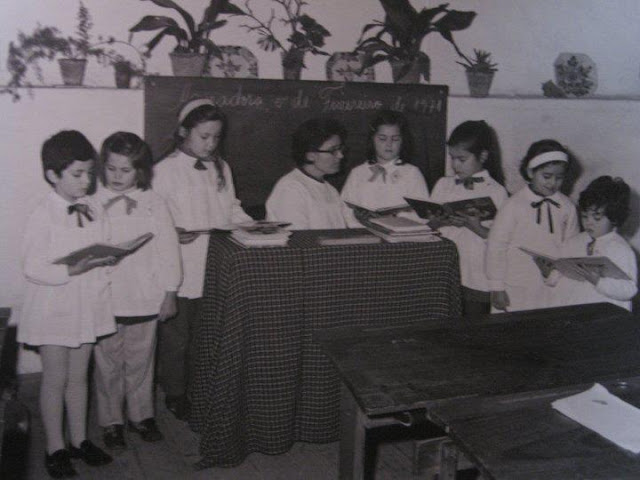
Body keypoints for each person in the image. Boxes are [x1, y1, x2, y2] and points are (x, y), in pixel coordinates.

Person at [18, 130, 114, 478]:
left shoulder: (94, 207)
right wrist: (69, 270)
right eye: (77, 174)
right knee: (55, 379)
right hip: (54, 308)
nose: (86, 181)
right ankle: (55, 447)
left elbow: (101, 241)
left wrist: (108, 257)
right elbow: (32, 266)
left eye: (90, 172)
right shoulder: (43, 213)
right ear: (52, 175)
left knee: (79, 377)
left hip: (85, 304)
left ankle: (79, 440)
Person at [153, 99, 251, 420]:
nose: (211, 144)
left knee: (205, 333)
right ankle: (175, 392)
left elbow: (231, 208)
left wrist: (253, 226)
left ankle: (200, 387)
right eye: (204, 136)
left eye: (216, 137)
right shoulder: (163, 171)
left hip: (216, 262)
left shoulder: (222, 168)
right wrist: (170, 231)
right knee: (177, 338)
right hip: (181, 266)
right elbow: (152, 217)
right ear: (184, 132)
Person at [93, 132, 182, 449]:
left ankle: (141, 415)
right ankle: (111, 421)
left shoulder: (154, 203)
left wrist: (170, 292)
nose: (117, 176)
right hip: (107, 298)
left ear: (140, 171)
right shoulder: (92, 202)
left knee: (141, 362)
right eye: (111, 168)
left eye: (125, 170)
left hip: (144, 296)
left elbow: (169, 250)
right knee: (107, 364)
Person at [486, 139, 580, 312]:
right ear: (530, 172)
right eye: (546, 176)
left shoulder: (568, 207)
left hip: (553, 286)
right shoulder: (513, 205)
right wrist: (496, 285)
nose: (553, 183)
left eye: (559, 178)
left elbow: (573, 246)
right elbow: (496, 246)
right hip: (515, 285)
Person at [429, 120, 508, 315]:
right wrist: (437, 222)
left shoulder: (497, 192)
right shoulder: (443, 185)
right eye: (452, 158)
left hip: (477, 276)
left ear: (483, 156)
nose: (455, 165)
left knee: (473, 326)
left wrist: (476, 227)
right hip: (445, 272)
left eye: (462, 159)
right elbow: (428, 226)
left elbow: (503, 242)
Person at [543, 176, 637, 311]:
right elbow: (559, 274)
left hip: (602, 314)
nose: (589, 222)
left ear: (614, 218)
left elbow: (629, 290)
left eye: (597, 218)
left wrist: (599, 282)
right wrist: (550, 274)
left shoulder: (620, 249)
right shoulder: (573, 242)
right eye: (584, 216)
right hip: (571, 311)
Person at [340, 109, 429, 227]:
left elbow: (423, 215)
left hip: (400, 235)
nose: (389, 144)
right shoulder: (358, 173)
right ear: (372, 139)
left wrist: (396, 218)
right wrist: (358, 220)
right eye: (382, 139)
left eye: (395, 139)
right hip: (364, 234)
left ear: (402, 141)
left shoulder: (412, 173)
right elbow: (345, 210)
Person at [266, 117, 348, 229]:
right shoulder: (291, 189)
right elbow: (296, 237)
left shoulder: (331, 190)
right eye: (333, 150)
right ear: (310, 155)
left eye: (340, 149)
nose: (340, 155)